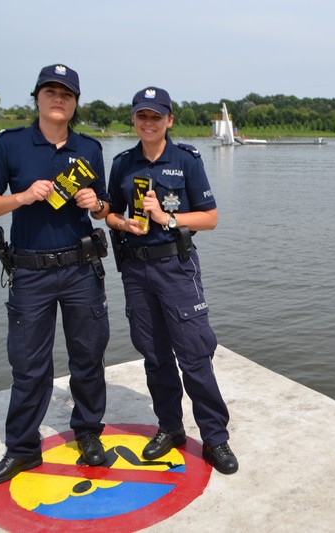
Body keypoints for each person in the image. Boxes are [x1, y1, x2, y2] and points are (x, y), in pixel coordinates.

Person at [0, 64, 111, 485]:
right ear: (36, 97)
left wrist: (96, 204)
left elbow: (106, 209)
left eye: (67, 94)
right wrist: (22, 196)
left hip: (80, 269)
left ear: (75, 103)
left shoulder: (89, 149)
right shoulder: (11, 145)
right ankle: (22, 449)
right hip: (31, 272)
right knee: (29, 366)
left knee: (88, 358)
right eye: (51, 92)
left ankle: (88, 433)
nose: (59, 100)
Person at [105, 86, 238, 474]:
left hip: (176, 268)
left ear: (169, 120)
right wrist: (121, 222)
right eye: (142, 116)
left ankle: (215, 438)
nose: (149, 123)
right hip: (136, 269)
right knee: (154, 354)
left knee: (195, 354)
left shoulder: (187, 160)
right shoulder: (123, 164)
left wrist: (168, 218)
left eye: (156, 116)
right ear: (134, 120)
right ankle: (170, 428)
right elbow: (109, 213)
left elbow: (210, 218)